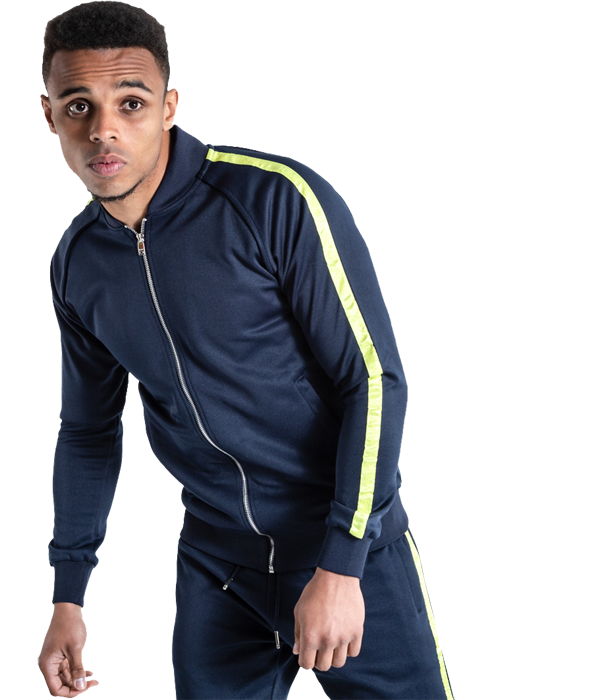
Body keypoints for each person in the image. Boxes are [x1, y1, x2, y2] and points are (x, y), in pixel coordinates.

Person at [37, 3, 454, 699]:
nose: (103, 129)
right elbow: (87, 431)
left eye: (131, 102)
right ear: (49, 116)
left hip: (346, 549)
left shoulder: (272, 199)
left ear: (170, 106)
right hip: (219, 564)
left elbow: (373, 382)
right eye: (79, 105)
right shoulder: (78, 261)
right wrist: (69, 598)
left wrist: (342, 564)